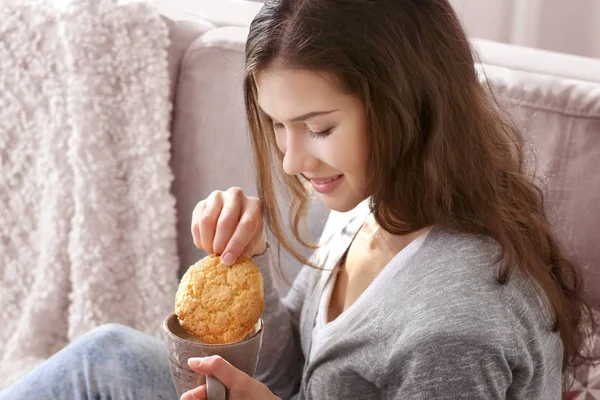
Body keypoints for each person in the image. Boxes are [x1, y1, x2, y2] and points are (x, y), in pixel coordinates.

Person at [1, 0, 596, 399]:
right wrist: (248, 263)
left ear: (409, 106)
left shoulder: (452, 333)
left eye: (318, 127)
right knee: (105, 354)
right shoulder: (366, 204)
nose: (291, 162)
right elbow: (289, 374)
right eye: (279, 127)